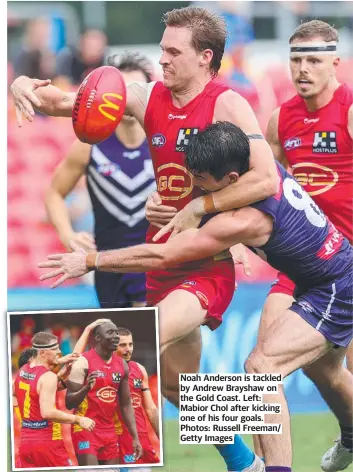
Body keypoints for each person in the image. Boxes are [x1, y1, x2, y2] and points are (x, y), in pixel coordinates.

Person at [12, 6, 281, 471]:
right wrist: (24, 88)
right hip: (156, 263)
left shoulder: (227, 104)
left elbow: (266, 180)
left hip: (204, 263)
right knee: (183, 386)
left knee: (135, 339)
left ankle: (108, 455)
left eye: (173, 52)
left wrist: (200, 206)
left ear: (205, 56)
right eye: (161, 50)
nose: (163, 60)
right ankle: (250, 457)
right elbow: (65, 103)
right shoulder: (146, 97)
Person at [38, 121, 353, 472]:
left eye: (201, 181)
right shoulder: (257, 163)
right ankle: (249, 461)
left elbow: (165, 254)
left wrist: (89, 260)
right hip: (305, 276)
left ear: (231, 179)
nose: (194, 188)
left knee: (257, 367)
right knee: (180, 386)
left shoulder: (244, 219)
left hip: (319, 284)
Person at [258, 20, 353, 472]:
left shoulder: (350, 109)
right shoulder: (281, 118)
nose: (303, 68)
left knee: (311, 369)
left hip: (348, 263)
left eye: (314, 59)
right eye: (296, 59)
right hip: (301, 262)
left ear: (336, 62)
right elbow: (265, 186)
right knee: (270, 367)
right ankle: (256, 464)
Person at [45, 53, 155, 308]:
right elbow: (54, 193)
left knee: (151, 338)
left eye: (135, 89)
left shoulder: (164, 141)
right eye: (121, 90)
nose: (127, 98)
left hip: (155, 262)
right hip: (107, 266)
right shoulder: (89, 145)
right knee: (120, 345)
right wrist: (67, 233)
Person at [64, 319, 142, 466]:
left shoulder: (122, 365)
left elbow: (126, 404)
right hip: (85, 428)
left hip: (109, 431)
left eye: (117, 333)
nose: (116, 336)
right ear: (98, 338)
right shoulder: (83, 362)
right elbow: (69, 402)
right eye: (110, 332)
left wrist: (135, 437)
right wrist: (86, 388)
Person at [13, 331, 95, 468]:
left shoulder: (23, 371)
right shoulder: (48, 376)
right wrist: (79, 419)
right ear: (43, 353)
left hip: (26, 443)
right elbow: (48, 412)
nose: (59, 351)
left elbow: (38, 389)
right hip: (48, 442)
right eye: (54, 349)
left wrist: (62, 370)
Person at [114, 327, 160, 464]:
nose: (128, 349)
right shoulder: (102, 371)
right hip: (116, 440)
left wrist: (160, 436)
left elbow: (151, 409)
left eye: (130, 344)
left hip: (142, 438)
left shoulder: (140, 369)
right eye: (122, 345)